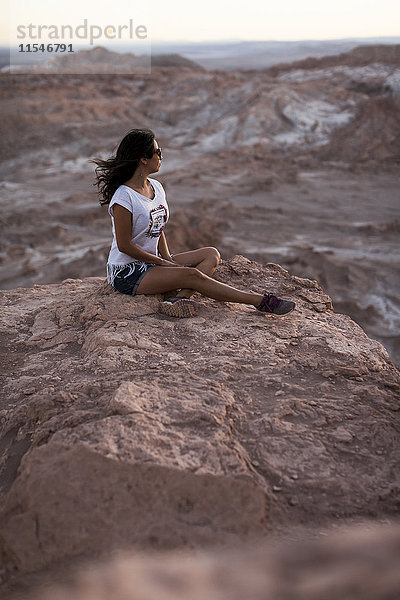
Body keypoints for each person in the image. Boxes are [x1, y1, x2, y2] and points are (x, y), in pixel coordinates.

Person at [90, 128, 295, 318]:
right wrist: (162, 263)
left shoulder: (157, 188)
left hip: (152, 262)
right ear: (143, 158)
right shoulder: (124, 197)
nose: (161, 156)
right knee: (192, 275)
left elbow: (157, 226)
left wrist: (168, 256)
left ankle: (178, 299)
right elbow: (125, 246)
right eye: (157, 151)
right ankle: (260, 301)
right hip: (128, 272)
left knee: (211, 254)